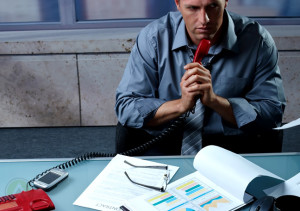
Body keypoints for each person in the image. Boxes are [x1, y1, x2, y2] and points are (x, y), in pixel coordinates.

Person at [115, 0, 286, 155]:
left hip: (231, 143)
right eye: (193, 8)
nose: (204, 20)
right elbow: (126, 106)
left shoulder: (258, 41)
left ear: (225, 2)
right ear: (178, 4)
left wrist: (216, 102)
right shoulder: (153, 38)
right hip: (163, 139)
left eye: (212, 6)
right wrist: (181, 105)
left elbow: (272, 111)